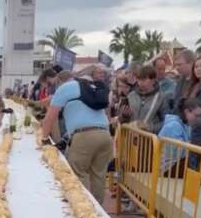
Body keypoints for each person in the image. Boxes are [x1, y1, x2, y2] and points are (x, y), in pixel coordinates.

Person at [40, 74, 112, 204]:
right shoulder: (91, 88)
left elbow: (49, 118)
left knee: (78, 173)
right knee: (98, 176)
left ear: (59, 81)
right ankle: (98, 213)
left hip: (85, 136)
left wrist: (44, 139)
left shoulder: (65, 88)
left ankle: (84, 209)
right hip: (105, 135)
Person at [158, 97, 201, 175]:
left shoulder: (187, 125)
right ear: (186, 112)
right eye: (197, 116)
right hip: (166, 167)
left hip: (174, 165)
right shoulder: (173, 126)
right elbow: (176, 154)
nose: (199, 119)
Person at [127, 64, 169, 133]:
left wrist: (149, 127)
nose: (140, 83)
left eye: (144, 80)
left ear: (153, 80)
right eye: (139, 79)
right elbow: (124, 120)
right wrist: (124, 116)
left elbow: (166, 122)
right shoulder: (131, 95)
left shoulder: (161, 98)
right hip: (129, 138)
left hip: (149, 140)